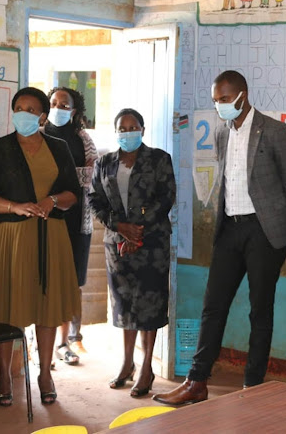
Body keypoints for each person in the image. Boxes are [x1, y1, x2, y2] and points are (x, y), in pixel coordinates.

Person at [153, 70, 286, 405]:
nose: (218, 105)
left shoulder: (274, 131)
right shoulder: (222, 133)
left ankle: (252, 386)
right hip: (229, 229)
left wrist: (281, 228)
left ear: (241, 96)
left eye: (223, 99)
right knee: (212, 306)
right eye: (215, 99)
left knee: (260, 311)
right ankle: (197, 381)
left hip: (264, 232)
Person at [0, 87, 81, 406]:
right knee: (10, 309)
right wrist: (13, 207)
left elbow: (72, 193)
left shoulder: (59, 148)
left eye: (31, 109)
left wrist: (51, 201)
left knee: (47, 308)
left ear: (43, 116)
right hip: (11, 238)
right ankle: (6, 375)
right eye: (18, 108)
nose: (23, 113)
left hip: (51, 236)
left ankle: (45, 374)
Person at [89, 108, 176, 398]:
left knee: (149, 305)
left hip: (151, 243)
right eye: (122, 128)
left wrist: (137, 229)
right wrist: (119, 227)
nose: (128, 132)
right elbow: (95, 199)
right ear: (116, 133)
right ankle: (127, 364)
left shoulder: (160, 159)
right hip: (118, 245)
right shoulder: (104, 163)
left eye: (133, 127)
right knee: (124, 306)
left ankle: (147, 367)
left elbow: (166, 197)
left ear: (143, 129)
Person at [45, 87, 97, 364]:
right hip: (45, 219)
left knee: (71, 282)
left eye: (64, 105)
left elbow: (92, 174)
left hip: (77, 222)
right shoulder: (37, 136)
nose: (57, 108)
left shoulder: (82, 139)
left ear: (74, 111)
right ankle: (39, 343)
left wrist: (75, 175)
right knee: (43, 280)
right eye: (53, 103)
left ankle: (64, 342)